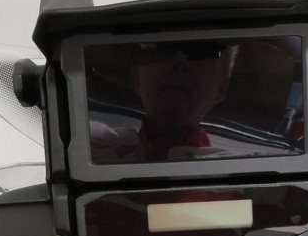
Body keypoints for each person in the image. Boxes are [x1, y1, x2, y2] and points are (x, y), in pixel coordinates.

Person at [90, 41, 236, 162]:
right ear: (136, 77)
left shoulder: (235, 168)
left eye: (201, 52)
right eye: (164, 48)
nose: (180, 63)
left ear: (222, 86)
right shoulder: (91, 144)